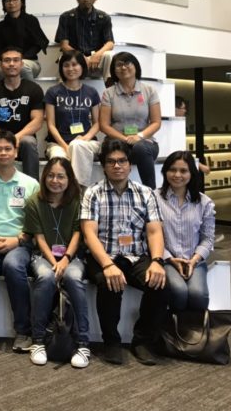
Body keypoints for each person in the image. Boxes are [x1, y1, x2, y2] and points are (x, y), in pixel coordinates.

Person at [80, 139, 168, 365]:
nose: (117, 166)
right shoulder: (93, 193)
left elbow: (154, 231)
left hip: (136, 255)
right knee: (108, 282)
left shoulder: (146, 193)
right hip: (103, 255)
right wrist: (108, 265)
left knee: (159, 284)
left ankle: (142, 341)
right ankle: (111, 342)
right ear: (104, 166)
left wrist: (157, 261)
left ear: (130, 164)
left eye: (122, 161)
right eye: (111, 162)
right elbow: (89, 234)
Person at [0, 131, 40, 352]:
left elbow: (35, 223)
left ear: (16, 152)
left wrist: (18, 240)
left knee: (13, 265)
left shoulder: (30, 184)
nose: (3, 153)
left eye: (7, 149)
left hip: (19, 242)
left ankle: (23, 332)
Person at [24, 157, 91, 368]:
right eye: (51, 175)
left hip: (73, 256)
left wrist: (66, 260)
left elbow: (78, 233)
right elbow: (39, 237)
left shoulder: (78, 200)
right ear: (44, 178)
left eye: (61, 176)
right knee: (46, 277)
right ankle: (37, 340)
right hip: (43, 256)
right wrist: (55, 262)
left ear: (69, 179)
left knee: (73, 277)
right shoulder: (34, 201)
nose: (55, 181)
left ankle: (83, 343)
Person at [157, 151, 215, 311]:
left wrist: (194, 260)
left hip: (195, 260)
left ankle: (194, 327)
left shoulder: (204, 202)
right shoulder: (154, 198)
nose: (177, 175)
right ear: (165, 172)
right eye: (172, 170)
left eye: (183, 171)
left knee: (198, 294)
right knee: (178, 291)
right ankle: (174, 326)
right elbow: (150, 236)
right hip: (167, 260)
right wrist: (169, 258)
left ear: (191, 173)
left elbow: (208, 239)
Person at [99, 51, 161, 189]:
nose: (123, 67)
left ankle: (151, 192)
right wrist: (125, 139)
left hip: (144, 142)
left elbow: (156, 122)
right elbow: (104, 125)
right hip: (117, 142)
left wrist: (139, 136)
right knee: (112, 150)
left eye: (127, 63)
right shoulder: (108, 93)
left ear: (136, 66)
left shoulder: (149, 90)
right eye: (119, 65)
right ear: (114, 70)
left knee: (141, 148)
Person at [0, 46, 45, 179]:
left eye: (16, 60)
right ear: (1, 65)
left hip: (23, 138)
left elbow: (38, 121)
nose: (11, 64)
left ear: (21, 64)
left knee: (29, 142)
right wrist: (3, 138)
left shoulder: (34, 89)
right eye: (7, 60)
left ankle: (33, 187)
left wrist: (16, 137)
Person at [44, 51, 102, 188]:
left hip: (87, 142)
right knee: (59, 161)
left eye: (75, 64)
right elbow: (51, 125)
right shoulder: (53, 92)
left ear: (82, 67)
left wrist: (85, 138)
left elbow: (97, 123)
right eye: (66, 65)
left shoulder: (91, 92)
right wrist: (66, 147)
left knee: (77, 145)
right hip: (58, 144)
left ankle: (77, 191)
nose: (70, 69)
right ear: (61, 68)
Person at [55, 0, 115, 80]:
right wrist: (80, 57)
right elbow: (64, 45)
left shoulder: (104, 17)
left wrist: (97, 55)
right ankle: (64, 90)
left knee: (109, 55)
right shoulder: (66, 17)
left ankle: (110, 88)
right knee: (63, 58)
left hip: (96, 61)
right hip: (75, 59)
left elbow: (110, 43)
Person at [0, 0, 49, 81]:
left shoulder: (31, 20)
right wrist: (8, 59)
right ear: (4, 4)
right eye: (8, 0)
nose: (11, 3)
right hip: (7, 61)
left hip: (29, 61)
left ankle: (31, 91)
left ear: (22, 2)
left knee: (23, 68)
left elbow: (38, 44)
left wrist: (20, 58)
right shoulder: (0, 26)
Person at [175, 96, 210, 175]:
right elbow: (181, 152)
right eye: (183, 108)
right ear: (175, 109)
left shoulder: (177, 126)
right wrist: (200, 166)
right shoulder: (173, 129)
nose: (185, 111)